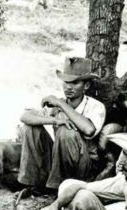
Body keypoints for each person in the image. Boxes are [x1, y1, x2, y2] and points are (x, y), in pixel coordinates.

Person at [17, 57, 106, 195]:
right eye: (66, 82)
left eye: (75, 83)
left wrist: (61, 104)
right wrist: (54, 121)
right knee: (31, 128)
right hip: (60, 163)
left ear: (86, 86)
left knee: (67, 131)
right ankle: (34, 185)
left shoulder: (95, 106)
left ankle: (62, 189)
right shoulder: (57, 104)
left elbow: (89, 130)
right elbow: (25, 116)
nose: (68, 87)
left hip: (84, 167)